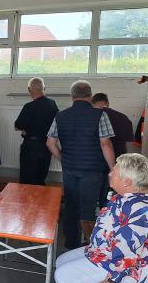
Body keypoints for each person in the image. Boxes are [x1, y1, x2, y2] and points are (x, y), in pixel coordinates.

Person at [54, 153, 148, 283]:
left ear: (127, 182)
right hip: (108, 255)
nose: (110, 173)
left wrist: (112, 280)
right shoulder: (127, 197)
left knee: (64, 276)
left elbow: (128, 252)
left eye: (115, 171)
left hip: (129, 268)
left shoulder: (138, 209)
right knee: (62, 261)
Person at [47, 80, 116, 250]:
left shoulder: (60, 116)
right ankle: (89, 247)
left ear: (72, 96)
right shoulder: (100, 115)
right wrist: (113, 168)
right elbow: (105, 144)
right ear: (90, 96)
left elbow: (50, 143)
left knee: (71, 205)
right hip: (93, 169)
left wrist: (63, 159)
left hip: (70, 168)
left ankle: (71, 243)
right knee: (88, 208)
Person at [14, 77, 59, 186]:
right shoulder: (52, 104)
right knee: (40, 178)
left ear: (29, 89)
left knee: (27, 180)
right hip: (47, 145)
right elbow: (57, 123)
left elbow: (17, 126)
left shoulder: (29, 107)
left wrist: (24, 129)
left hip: (31, 146)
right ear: (44, 88)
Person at [92, 93, 134, 158]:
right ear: (107, 103)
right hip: (119, 157)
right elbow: (129, 142)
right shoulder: (123, 117)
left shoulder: (92, 117)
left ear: (92, 104)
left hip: (98, 158)